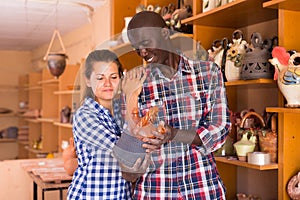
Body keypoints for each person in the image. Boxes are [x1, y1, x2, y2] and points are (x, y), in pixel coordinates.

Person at [121, 11, 231, 199]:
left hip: (201, 189)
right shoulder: (136, 83)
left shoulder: (207, 73)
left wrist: (173, 134)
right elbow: (128, 160)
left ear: (164, 33)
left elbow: (220, 129)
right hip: (155, 192)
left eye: (146, 44)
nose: (142, 53)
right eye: (136, 48)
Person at [67, 49, 133, 199]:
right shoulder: (84, 116)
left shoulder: (121, 112)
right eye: (100, 78)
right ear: (88, 80)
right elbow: (124, 153)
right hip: (92, 195)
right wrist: (132, 96)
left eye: (114, 77)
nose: (108, 84)